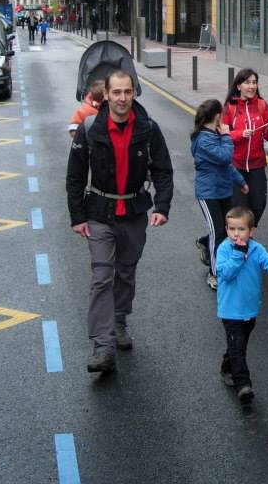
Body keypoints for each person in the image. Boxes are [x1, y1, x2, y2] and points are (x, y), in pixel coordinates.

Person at [66, 69, 174, 374]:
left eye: (127, 92)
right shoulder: (90, 128)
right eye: (116, 92)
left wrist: (162, 206)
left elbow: (163, 171)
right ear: (106, 95)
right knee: (102, 276)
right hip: (100, 212)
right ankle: (103, 347)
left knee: (125, 273)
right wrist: (77, 216)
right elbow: (75, 176)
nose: (122, 98)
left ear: (134, 93)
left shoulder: (148, 128)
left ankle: (119, 321)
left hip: (134, 212)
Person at [216, 206, 268, 404]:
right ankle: (243, 384)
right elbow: (225, 273)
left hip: (249, 309)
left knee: (238, 345)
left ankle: (227, 366)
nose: (236, 234)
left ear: (251, 231)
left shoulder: (256, 249)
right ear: (226, 229)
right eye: (232, 229)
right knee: (238, 346)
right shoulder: (224, 249)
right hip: (230, 310)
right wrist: (238, 254)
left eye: (241, 229)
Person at [191, 99, 248, 291]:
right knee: (218, 232)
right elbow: (225, 157)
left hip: (224, 190)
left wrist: (240, 181)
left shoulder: (215, 135)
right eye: (222, 115)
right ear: (217, 116)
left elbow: (226, 166)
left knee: (224, 230)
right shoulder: (203, 140)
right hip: (208, 193)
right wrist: (226, 136)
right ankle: (214, 274)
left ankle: (205, 242)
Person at [222, 68, 268, 226]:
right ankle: (242, 238)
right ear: (238, 86)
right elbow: (223, 136)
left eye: (254, 82)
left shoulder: (262, 105)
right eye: (247, 83)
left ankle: (248, 232)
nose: (252, 86)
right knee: (239, 208)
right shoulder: (229, 107)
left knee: (258, 204)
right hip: (236, 166)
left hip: (257, 165)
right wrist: (240, 134)